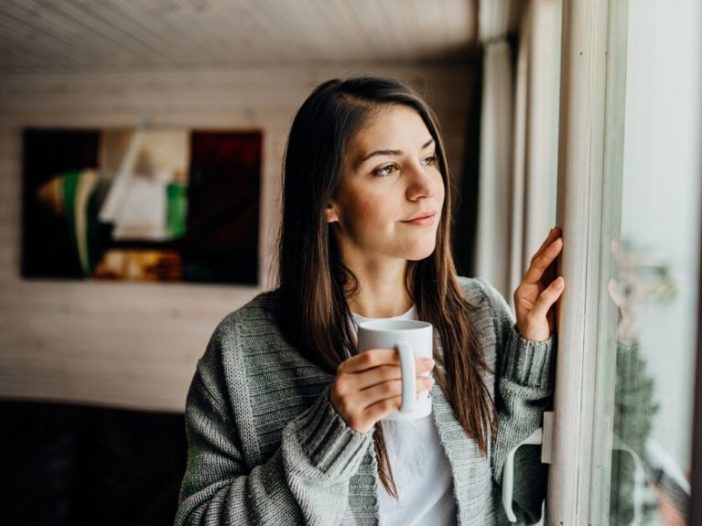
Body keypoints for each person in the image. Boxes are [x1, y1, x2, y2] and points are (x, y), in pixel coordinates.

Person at [174, 77, 565, 525]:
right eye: (386, 168)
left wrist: (530, 354)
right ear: (327, 201)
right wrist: (330, 432)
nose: (426, 187)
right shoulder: (244, 346)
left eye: (428, 158)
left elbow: (526, 500)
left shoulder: (479, 313)